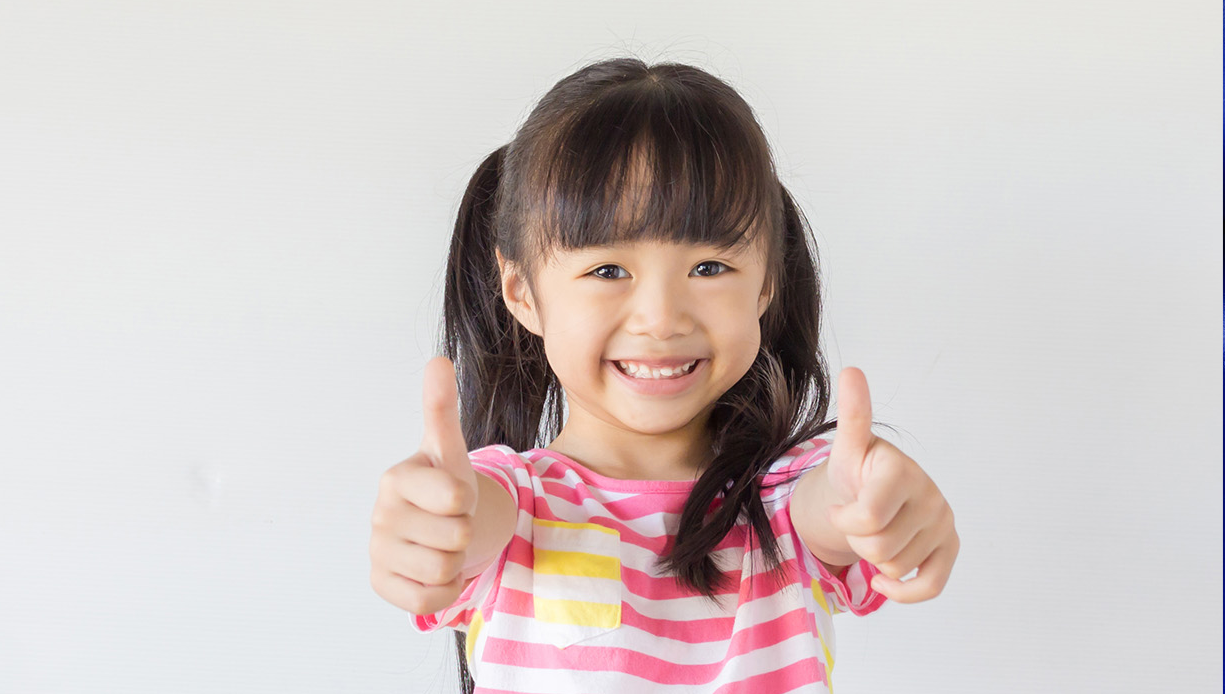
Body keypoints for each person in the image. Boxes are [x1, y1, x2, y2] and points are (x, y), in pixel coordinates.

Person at [367, 58, 961, 693]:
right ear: (522, 292)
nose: (660, 318)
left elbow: (830, 508)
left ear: (766, 285)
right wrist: (430, 526)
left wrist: (876, 505)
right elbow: (471, 523)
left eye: (708, 267)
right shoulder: (513, 510)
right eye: (607, 271)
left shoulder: (785, 504)